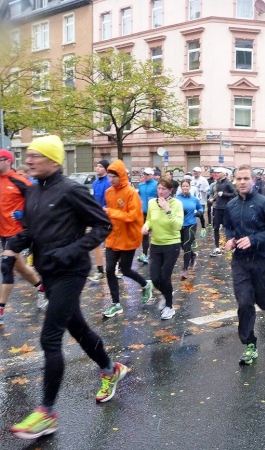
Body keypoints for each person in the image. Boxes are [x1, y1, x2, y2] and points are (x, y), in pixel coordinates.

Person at [3, 136, 127, 439]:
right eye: (27, 155)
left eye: (35, 155)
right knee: (78, 329)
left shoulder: (72, 190)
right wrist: (12, 247)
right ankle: (110, 369)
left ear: (53, 159)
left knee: (50, 337)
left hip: (71, 272)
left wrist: (71, 250)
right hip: (48, 271)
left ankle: (47, 413)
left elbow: (103, 225)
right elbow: (32, 231)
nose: (28, 160)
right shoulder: (34, 190)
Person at [223, 164, 265, 364]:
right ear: (235, 181)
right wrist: (230, 240)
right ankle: (250, 344)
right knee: (244, 303)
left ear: (253, 180)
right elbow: (228, 227)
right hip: (240, 261)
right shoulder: (231, 205)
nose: (242, 182)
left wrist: (254, 239)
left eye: (246, 178)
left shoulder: (263, 203)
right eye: (239, 179)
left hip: (262, 260)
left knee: (263, 301)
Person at [0, 149, 47, 326]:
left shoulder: (19, 181)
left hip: (17, 233)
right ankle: (41, 287)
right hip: (3, 232)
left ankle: (0, 310)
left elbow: (38, 202)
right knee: (20, 267)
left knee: (6, 266)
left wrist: (24, 214)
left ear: (8, 161)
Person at [101, 160, 154, 318]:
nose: (111, 180)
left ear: (121, 176)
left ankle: (145, 284)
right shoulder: (109, 192)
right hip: (112, 237)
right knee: (109, 269)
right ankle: (116, 304)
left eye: (114, 177)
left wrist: (110, 212)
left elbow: (132, 216)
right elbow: (109, 214)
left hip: (128, 238)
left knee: (125, 270)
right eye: (109, 177)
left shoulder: (131, 193)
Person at [142, 178, 183, 320]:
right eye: (159, 188)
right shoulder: (152, 203)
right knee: (154, 278)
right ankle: (167, 292)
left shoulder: (176, 204)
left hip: (172, 244)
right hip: (156, 244)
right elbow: (149, 219)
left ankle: (169, 307)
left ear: (170, 190)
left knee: (165, 277)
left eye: (164, 189)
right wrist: (146, 226)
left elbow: (177, 226)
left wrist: (168, 210)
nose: (160, 191)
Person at [88, 160, 112, 282]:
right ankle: (100, 271)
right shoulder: (95, 183)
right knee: (96, 243)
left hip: (109, 216)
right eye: (97, 166)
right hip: (97, 217)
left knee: (112, 244)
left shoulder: (109, 182)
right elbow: (93, 199)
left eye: (100, 166)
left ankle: (117, 268)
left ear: (106, 169)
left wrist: (107, 208)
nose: (97, 168)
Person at [176, 179, 203, 280]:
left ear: (190, 187)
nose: (185, 188)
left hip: (191, 224)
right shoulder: (176, 199)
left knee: (187, 245)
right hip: (179, 225)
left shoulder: (194, 199)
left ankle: (185, 270)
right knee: (183, 245)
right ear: (181, 187)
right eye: (183, 186)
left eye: (187, 186)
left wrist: (199, 213)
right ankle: (193, 255)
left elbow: (200, 208)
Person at [208, 167, 235, 256]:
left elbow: (235, 194)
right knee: (215, 227)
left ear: (223, 174)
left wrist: (224, 194)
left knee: (228, 228)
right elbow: (217, 195)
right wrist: (213, 199)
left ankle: (231, 246)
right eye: (215, 173)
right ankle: (217, 247)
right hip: (217, 208)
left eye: (218, 173)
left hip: (226, 209)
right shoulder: (217, 183)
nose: (216, 174)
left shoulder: (228, 183)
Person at [137, 168, 158, 264]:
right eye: (145, 174)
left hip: (154, 212)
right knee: (144, 233)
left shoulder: (156, 185)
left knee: (155, 233)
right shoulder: (141, 185)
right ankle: (144, 254)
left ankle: (156, 255)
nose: (146, 176)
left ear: (152, 175)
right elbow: (138, 196)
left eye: (148, 174)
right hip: (143, 212)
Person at [191, 167, 209, 237]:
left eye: (197, 171)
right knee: (193, 215)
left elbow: (208, 187)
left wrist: (204, 190)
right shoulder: (191, 179)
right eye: (194, 171)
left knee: (201, 215)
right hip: (193, 200)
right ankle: (192, 230)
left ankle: (203, 228)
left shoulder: (203, 179)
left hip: (201, 200)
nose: (195, 173)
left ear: (200, 172)